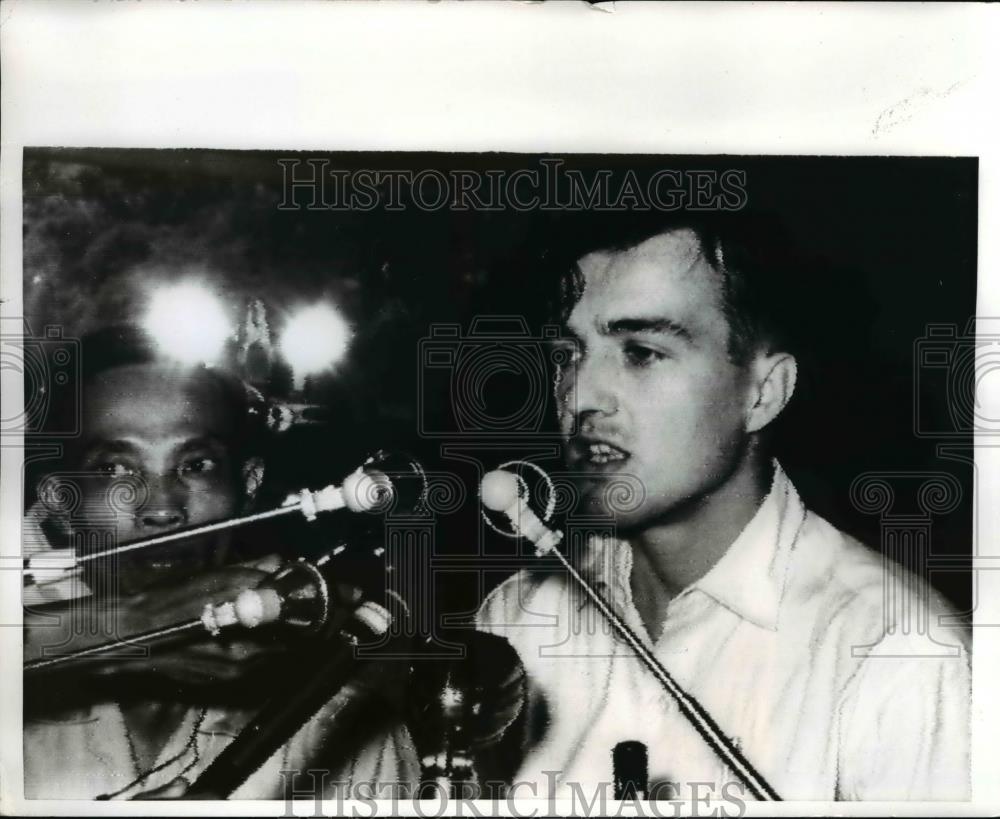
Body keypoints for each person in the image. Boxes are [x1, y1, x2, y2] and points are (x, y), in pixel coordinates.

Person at [475, 214, 971, 801]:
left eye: (641, 352)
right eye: (567, 353)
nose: (579, 395)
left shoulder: (899, 655)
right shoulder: (520, 617)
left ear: (763, 394)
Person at [23, 324, 418, 799]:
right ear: (60, 500)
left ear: (249, 485)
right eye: (114, 469)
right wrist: (127, 628)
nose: (162, 508)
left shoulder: (337, 720)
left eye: (195, 465)